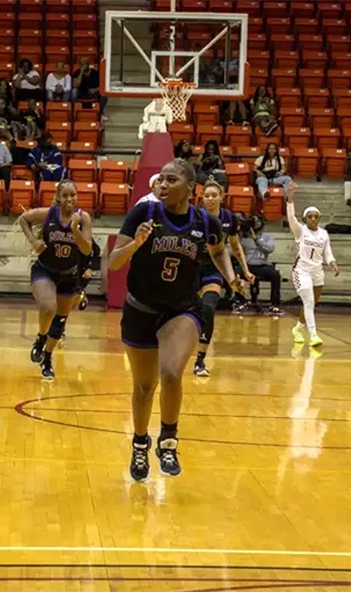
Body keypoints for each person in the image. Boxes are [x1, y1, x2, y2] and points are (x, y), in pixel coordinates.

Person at [109, 159, 245, 482]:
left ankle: (168, 440)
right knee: (144, 387)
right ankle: (140, 443)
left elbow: (219, 249)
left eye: (172, 180)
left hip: (181, 310)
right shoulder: (144, 213)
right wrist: (135, 245)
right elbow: (114, 263)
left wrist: (230, 276)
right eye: (161, 180)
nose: (164, 184)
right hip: (140, 308)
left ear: (190, 188)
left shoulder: (204, 220)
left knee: (171, 372)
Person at [17, 180, 92, 380]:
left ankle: (47, 359)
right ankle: (41, 339)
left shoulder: (83, 218)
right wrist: (34, 241)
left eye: (73, 195)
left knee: (60, 321)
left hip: (69, 275)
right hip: (45, 270)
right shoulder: (48, 214)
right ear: (58, 197)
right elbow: (23, 218)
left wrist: (75, 229)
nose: (69, 199)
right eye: (65, 195)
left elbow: (86, 249)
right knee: (49, 307)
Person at [193, 181, 254, 377]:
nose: (209, 199)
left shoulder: (229, 218)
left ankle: (200, 361)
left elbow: (235, 247)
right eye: (206, 196)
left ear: (222, 196)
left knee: (208, 309)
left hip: (214, 269)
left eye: (213, 195)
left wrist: (245, 271)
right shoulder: (194, 217)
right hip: (191, 268)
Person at [286, 183, 340, 348]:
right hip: (301, 270)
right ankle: (314, 335)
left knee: (311, 303)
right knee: (308, 302)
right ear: (305, 219)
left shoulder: (324, 234)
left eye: (316, 216)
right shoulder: (300, 231)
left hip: (317, 271)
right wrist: (290, 198)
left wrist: (333, 263)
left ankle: (297, 329)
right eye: (310, 216)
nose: (314, 219)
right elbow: (291, 218)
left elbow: (327, 252)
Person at [238, 214, 282, 315]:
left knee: (275, 275)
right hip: (248, 266)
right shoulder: (244, 237)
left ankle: (275, 303)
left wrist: (257, 240)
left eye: (258, 221)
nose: (256, 223)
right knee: (236, 273)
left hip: (261, 265)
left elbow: (270, 248)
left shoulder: (266, 237)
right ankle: (240, 301)